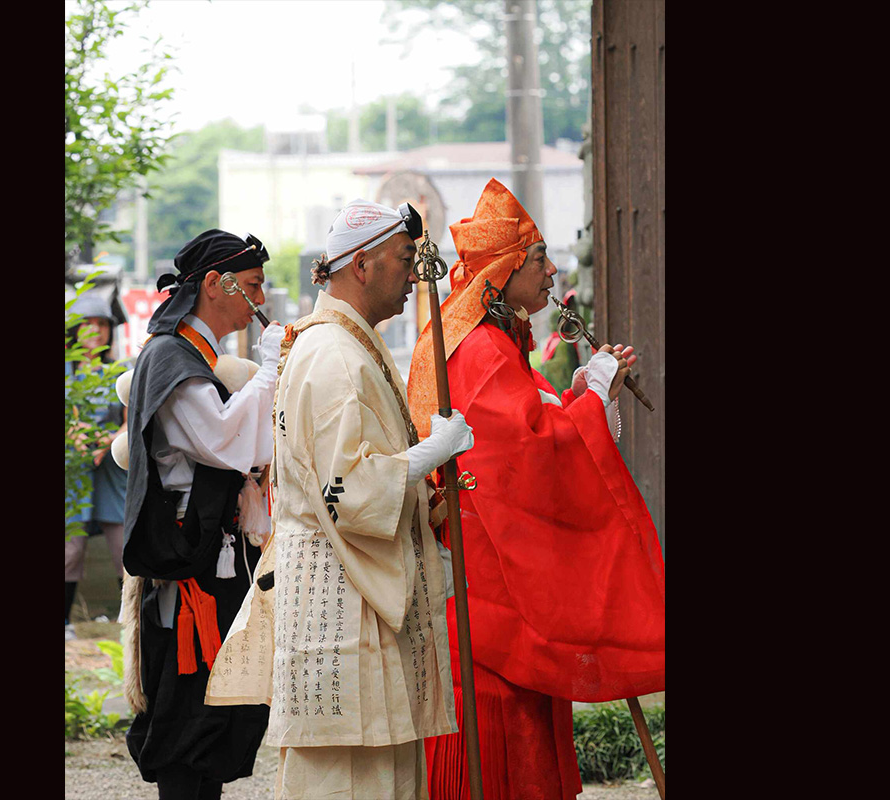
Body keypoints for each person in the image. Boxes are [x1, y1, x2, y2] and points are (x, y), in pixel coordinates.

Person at [407, 178, 666, 800]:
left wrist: (579, 398)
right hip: (490, 578)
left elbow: (529, 431)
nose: (552, 272)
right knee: (499, 737)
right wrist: (594, 397)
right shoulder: (481, 348)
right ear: (505, 270)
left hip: (490, 567)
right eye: (540, 259)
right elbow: (528, 457)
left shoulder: (488, 340)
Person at [265, 199, 475, 800]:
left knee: (382, 775)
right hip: (344, 592)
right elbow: (352, 492)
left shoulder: (345, 344)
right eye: (404, 260)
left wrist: (426, 500)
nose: (414, 276)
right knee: (349, 780)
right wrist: (431, 453)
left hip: (355, 589)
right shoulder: (332, 353)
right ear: (362, 265)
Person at [118, 230, 282, 800]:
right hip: (190, 562)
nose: (259, 301)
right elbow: (226, 443)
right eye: (253, 286)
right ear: (215, 283)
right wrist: (268, 371)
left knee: (216, 711)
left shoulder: (189, 354)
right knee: (191, 714)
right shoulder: (171, 356)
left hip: (215, 554)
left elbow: (249, 445)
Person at [65, 292, 129, 641]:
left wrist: (110, 441)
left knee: (123, 545)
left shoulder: (118, 371)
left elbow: (127, 416)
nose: (97, 331)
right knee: (70, 548)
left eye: (103, 324)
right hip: (72, 471)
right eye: (88, 324)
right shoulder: (66, 370)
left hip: (111, 468)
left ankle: (131, 617)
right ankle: (66, 623)